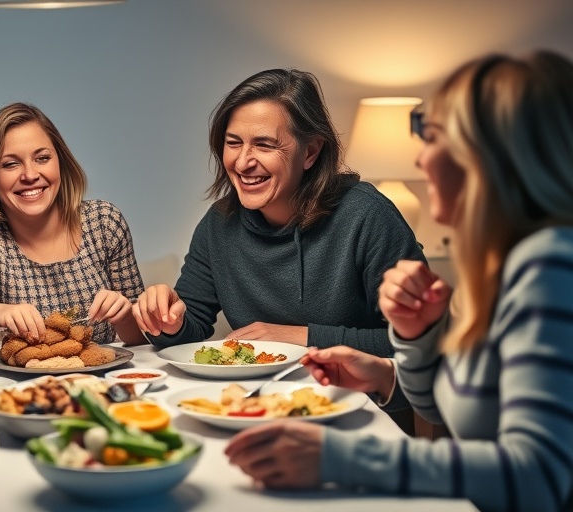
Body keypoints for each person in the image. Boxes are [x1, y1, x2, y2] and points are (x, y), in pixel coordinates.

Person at [224, 51, 573, 512]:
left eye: (434, 137)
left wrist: (340, 458)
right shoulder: (501, 265)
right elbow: (452, 408)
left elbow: (539, 478)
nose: (421, 156)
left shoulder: (550, 267)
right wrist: (394, 366)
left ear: (495, 159)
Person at [132, 68, 424, 362]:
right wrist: (169, 321)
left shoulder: (368, 216)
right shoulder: (219, 222)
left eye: (264, 144)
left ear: (310, 151)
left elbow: (422, 342)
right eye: (233, 143)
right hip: (259, 400)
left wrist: (302, 337)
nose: (243, 162)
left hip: (360, 401)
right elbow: (190, 327)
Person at [0, 102, 145, 352]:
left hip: (103, 381)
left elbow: (142, 337)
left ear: (61, 162)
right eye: (10, 164)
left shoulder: (104, 222)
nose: (29, 174)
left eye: (42, 158)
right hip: (23, 386)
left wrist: (124, 316)